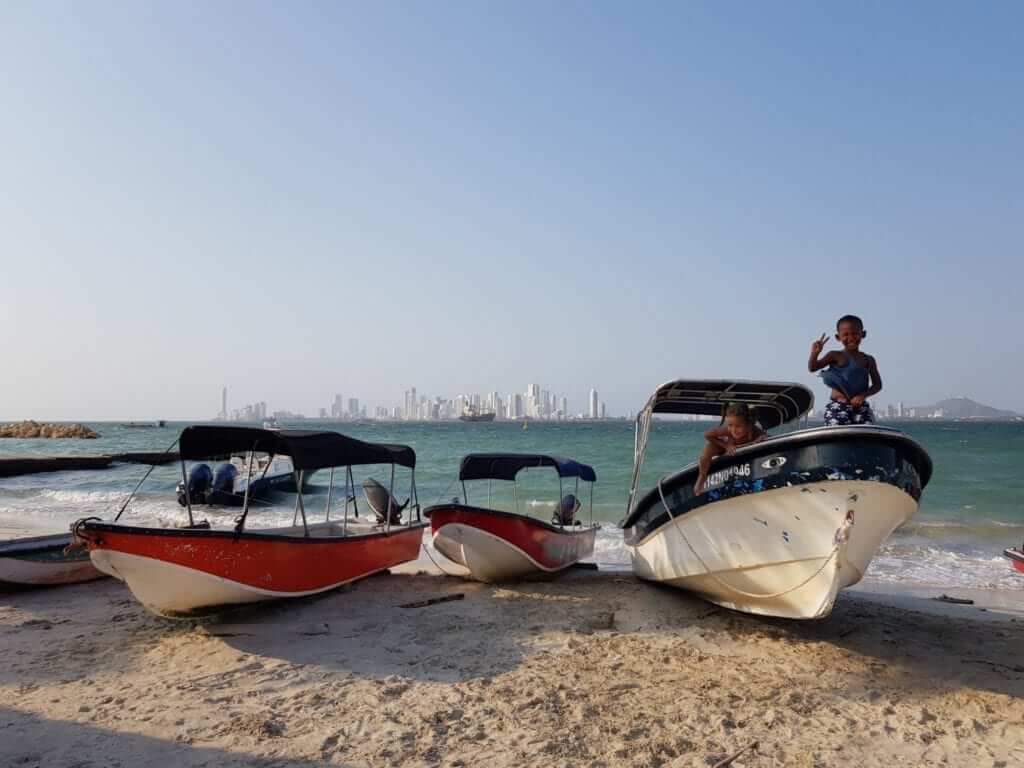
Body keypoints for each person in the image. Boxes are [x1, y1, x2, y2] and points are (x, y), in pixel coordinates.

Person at [808, 314, 882, 426]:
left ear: (863, 334)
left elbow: (877, 385)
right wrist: (814, 353)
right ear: (838, 337)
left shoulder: (869, 360)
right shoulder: (834, 355)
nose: (851, 338)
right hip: (838, 406)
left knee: (868, 431)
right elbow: (813, 368)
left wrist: (862, 396)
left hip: (860, 407)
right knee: (837, 433)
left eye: (855, 334)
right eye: (846, 335)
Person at [694, 403, 766, 494]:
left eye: (738, 426)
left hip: (737, 448)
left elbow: (766, 436)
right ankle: (702, 477)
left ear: (748, 424)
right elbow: (707, 435)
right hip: (724, 446)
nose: (733, 430)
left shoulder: (754, 431)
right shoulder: (727, 431)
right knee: (705, 454)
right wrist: (726, 446)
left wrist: (762, 438)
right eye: (730, 425)